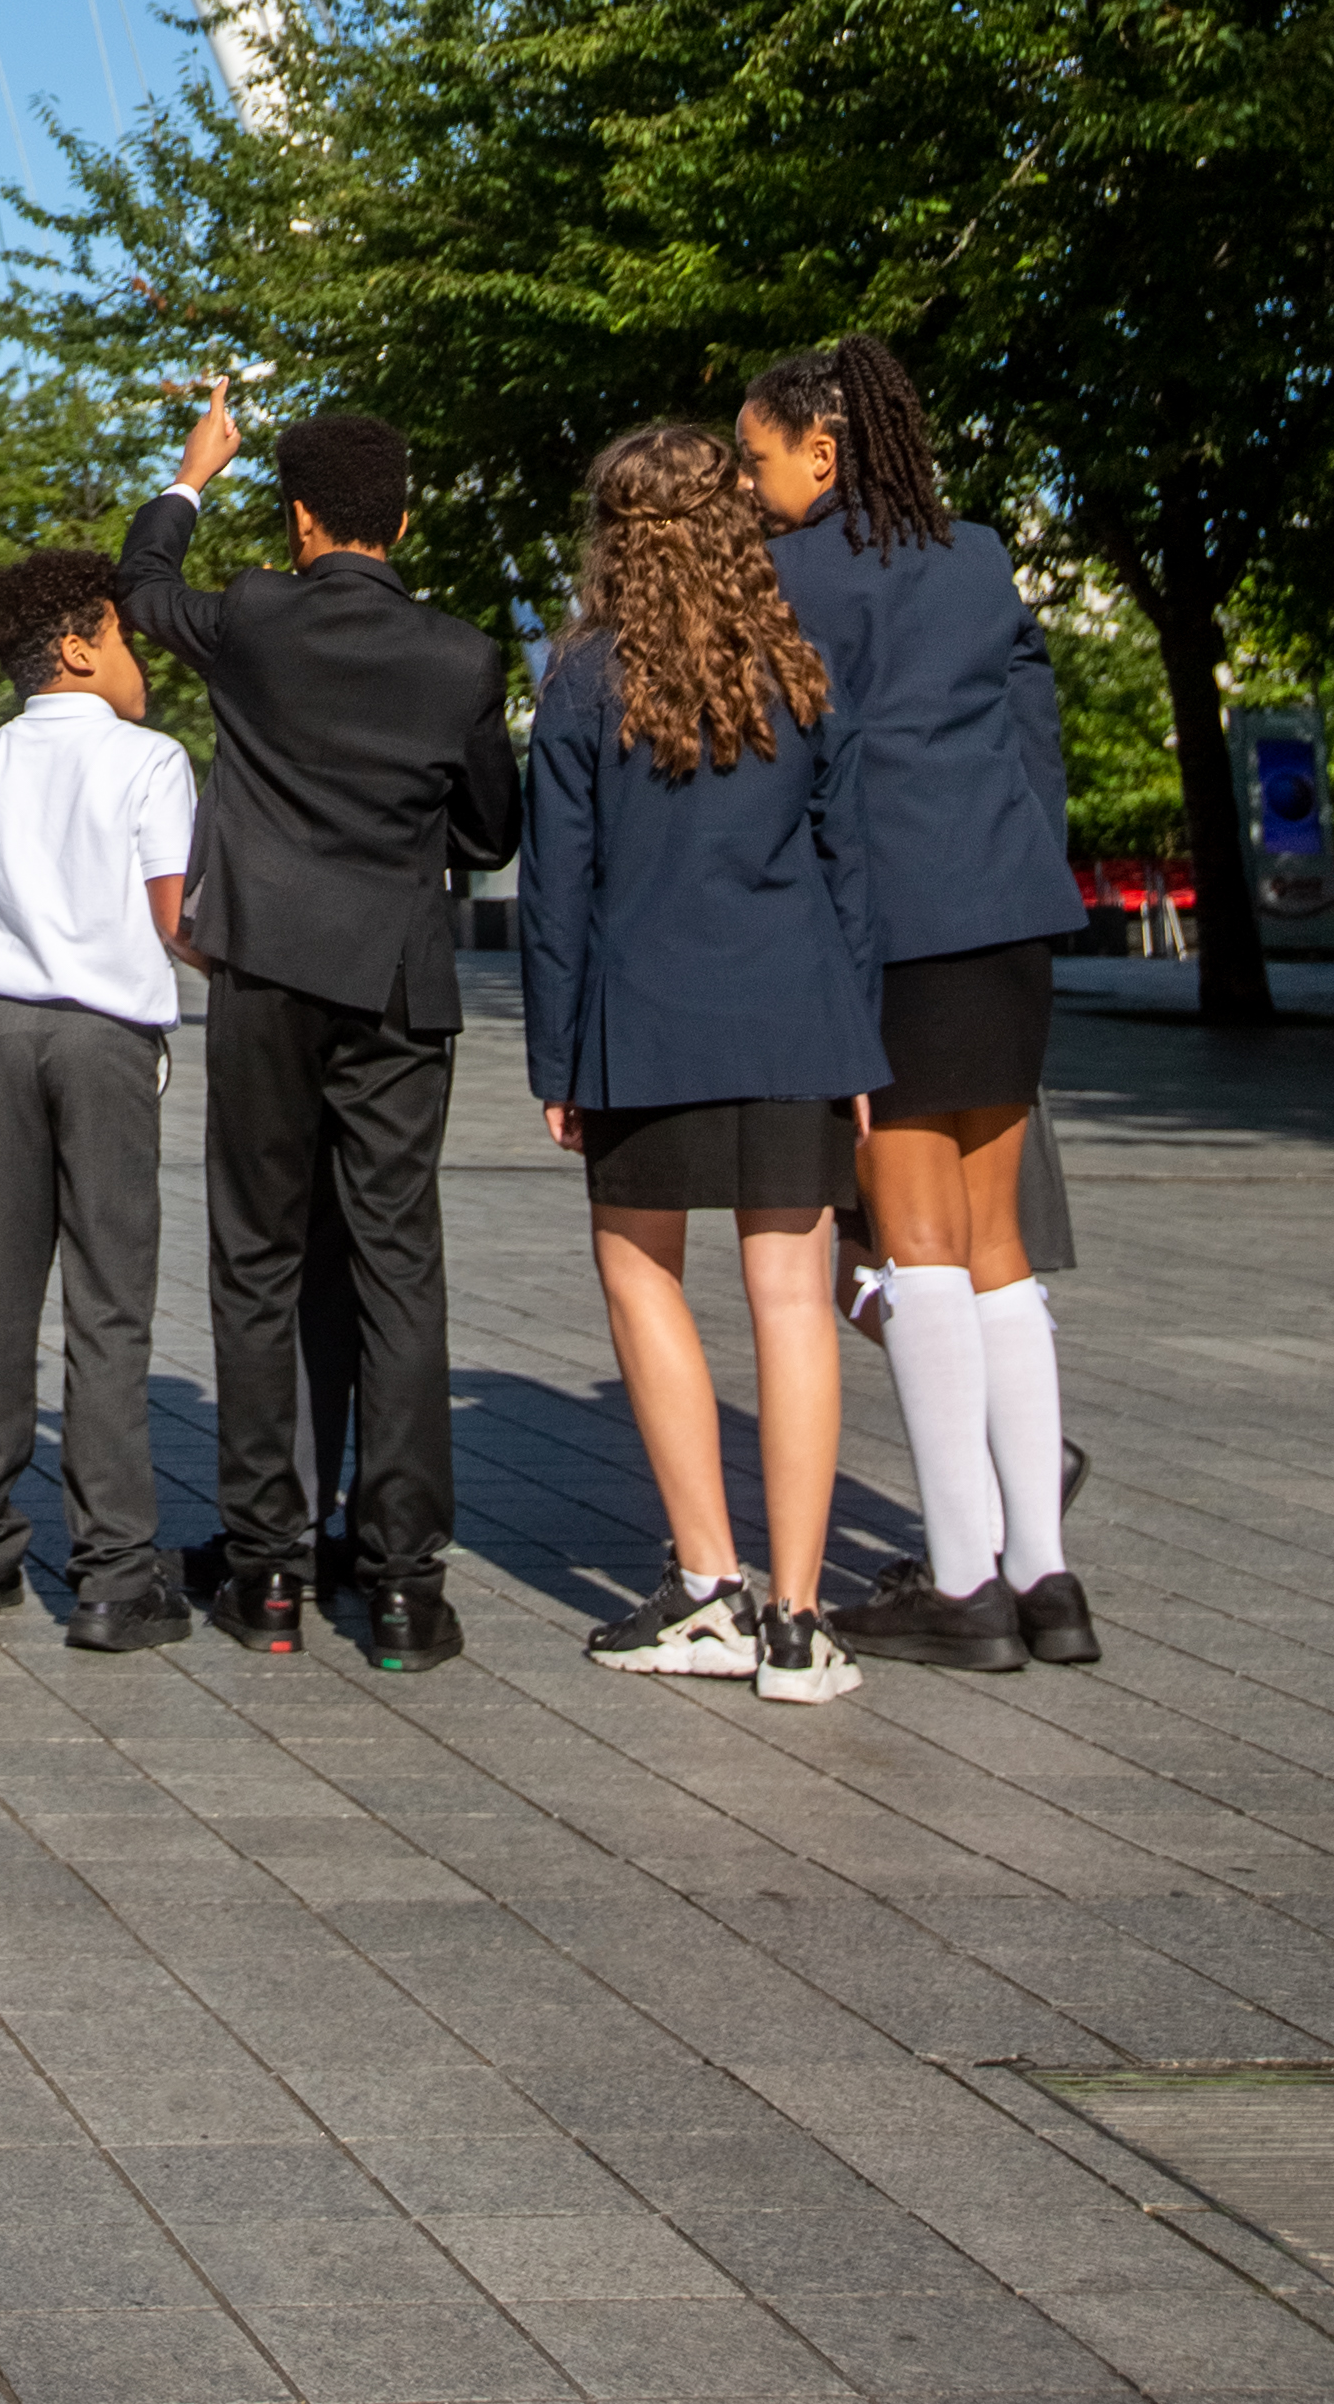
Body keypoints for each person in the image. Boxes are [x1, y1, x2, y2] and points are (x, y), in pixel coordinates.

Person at [116, 385, 518, 1667]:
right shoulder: (460, 655)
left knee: (258, 1260)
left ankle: (267, 1570)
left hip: (265, 974)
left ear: (297, 519)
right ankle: (402, 1583)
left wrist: (189, 473)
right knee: (398, 1264)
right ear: (398, 517)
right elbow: (493, 829)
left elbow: (142, 586)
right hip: (396, 981)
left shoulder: (254, 622)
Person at [738, 334, 1096, 1677]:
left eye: (759, 456)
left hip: (881, 926)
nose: (750, 480)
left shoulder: (786, 577)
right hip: (1007, 913)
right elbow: (1026, 730)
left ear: (820, 451)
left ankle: (961, 1579)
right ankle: (1045, 1577)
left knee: (916, 1247)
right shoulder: (981, 553)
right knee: (997, 1250)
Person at [520, 422, 887, 1707]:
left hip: (643, 1017)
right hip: (796, 1012)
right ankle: (797, 1617)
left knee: (642, 1282)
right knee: (792, 1303)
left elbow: (555, 892)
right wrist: (860, 1041)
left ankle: (705, 1585)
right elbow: (850, 869)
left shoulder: (580, 679)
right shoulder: (798, 665)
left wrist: (554, 1053)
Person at [0, 546, 195, 1651]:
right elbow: (174, 916)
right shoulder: (151, 760)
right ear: (82, 645)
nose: (140, 661)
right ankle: (111, 1569)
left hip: (4, 1034)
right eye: (126, 637)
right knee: (107, 1302)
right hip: (105, 1042)